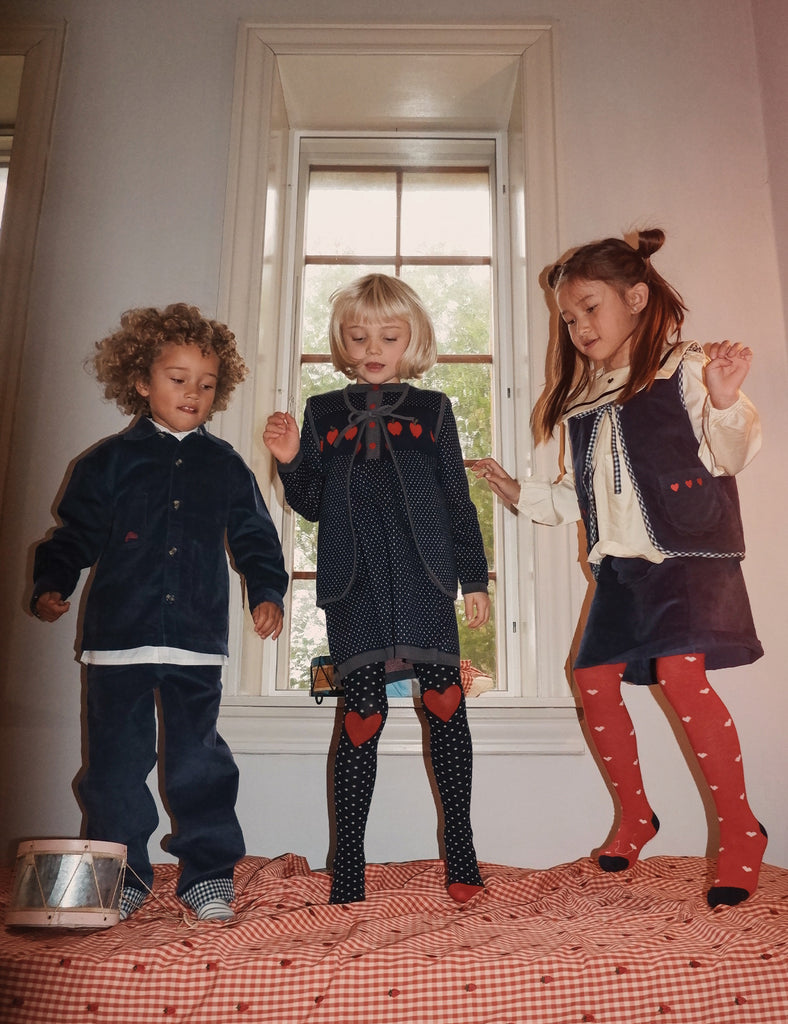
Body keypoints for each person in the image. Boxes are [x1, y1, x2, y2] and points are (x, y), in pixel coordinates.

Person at [474, 229, 766, 908]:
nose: (578, 326)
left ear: (636, 298)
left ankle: (741, 834)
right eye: (568, 318)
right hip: (622, 565)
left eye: (589, 308)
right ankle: (637, 816)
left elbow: (730, 454)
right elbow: (583, 495)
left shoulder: (686, 368)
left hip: (685, 555)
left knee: (679, 677)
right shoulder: (586, 401)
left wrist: (724, 398)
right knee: (592, 677)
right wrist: (520, 493)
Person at [31, 303, 288, 922]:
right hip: (117, 641)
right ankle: (119, 874)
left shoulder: (225, 464)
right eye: (178, 379)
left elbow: (256, 536)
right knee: (114, 770)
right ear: (142, 381)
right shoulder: (106, 462)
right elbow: (72, 535)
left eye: (206, 384)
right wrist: (52, 582)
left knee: (199, 764)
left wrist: (266, 590)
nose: (193, 393)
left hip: (196, 643)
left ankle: (207, 876)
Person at [264, 274, 490, 905]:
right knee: (361, 716)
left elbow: (456, 500)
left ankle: (462, 851)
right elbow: (310, 504)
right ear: (342, 340)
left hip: (423, 580)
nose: (373, 345)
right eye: (359, 335)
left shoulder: (434, 410)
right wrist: (289, 460)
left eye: (388, 335)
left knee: (446, 706)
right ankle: (350, 863)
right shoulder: (322, 413)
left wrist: (474, 578)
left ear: (411, 340)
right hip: (353, 585)